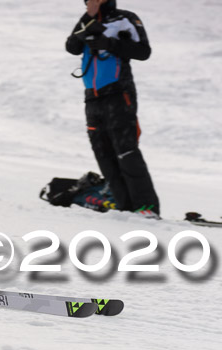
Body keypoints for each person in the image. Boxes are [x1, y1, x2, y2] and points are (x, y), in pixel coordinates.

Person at [66, 0, 160, 216]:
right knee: (103, 153)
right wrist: (88, 20)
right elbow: (72, 47)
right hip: (92, 97)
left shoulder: (124, 18)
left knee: (126, 151)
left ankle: (146, 207)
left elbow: (143, 51)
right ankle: (124, 207)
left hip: (119, 93)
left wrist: (109, 44)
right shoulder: (86, 21)